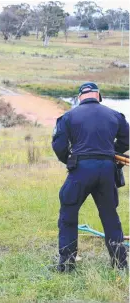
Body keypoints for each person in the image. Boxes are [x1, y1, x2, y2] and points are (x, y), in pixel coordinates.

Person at [52, 82, 129, 272]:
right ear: (98, 95)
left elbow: (59, 146)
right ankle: (120, 265)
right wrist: (110, 152)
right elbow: (127, 140)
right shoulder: (115, 115)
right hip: (107, 170)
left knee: (68, 214)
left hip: (81, 170)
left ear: (80, 97)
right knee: (110, 216)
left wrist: (70, 159)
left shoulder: (68, 116)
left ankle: (67, 265)